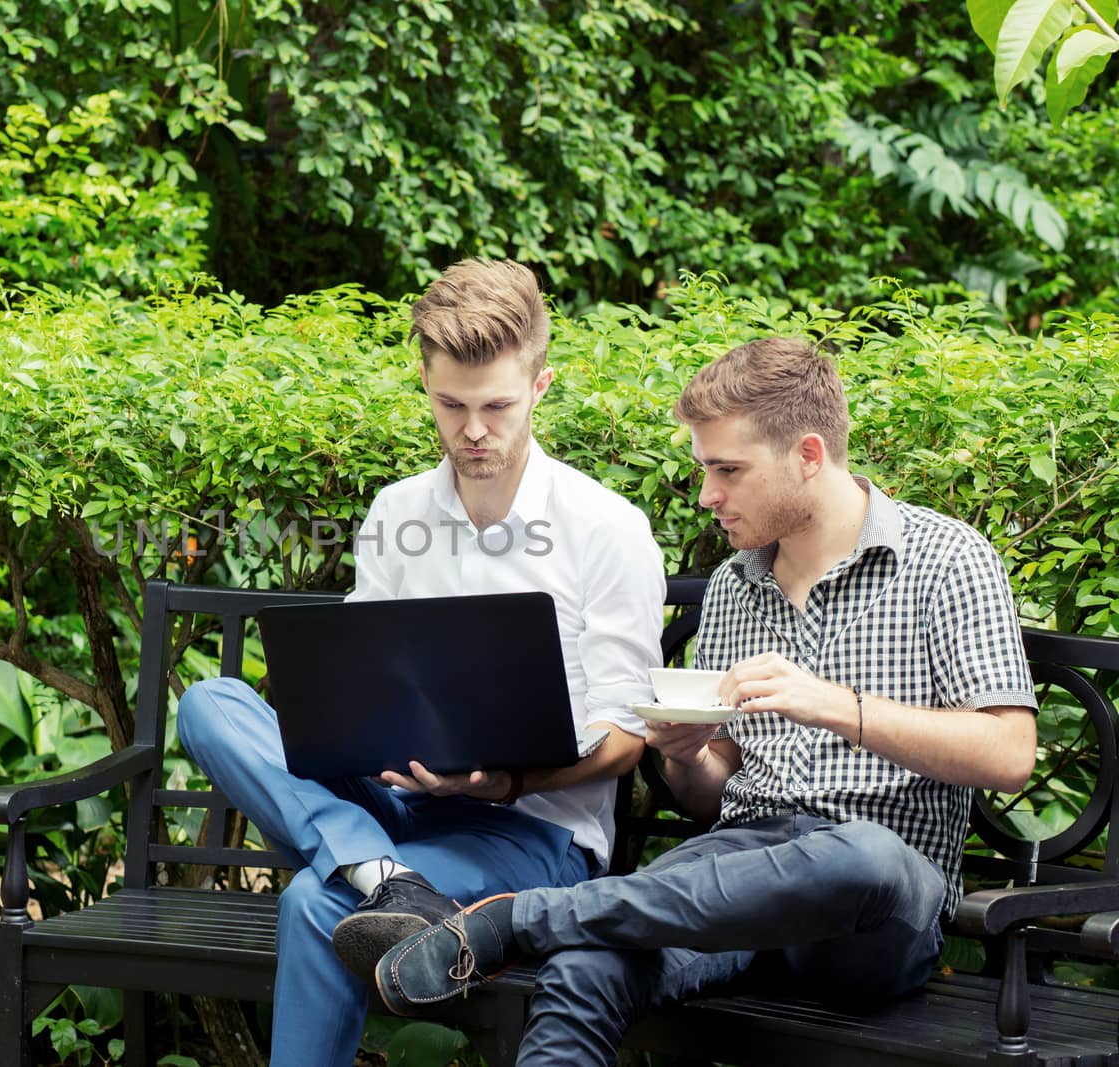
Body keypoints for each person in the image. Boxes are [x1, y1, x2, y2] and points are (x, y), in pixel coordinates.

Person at [371, 336, 1039, 1066]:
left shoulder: (947, 558)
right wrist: (689, 758)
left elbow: (1008, 753)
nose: (706, 494)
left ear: (808, 455)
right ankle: (536, 928)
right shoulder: (734, 585)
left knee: (861, 855)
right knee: (586, 965)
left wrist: (836, 705)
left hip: (872, 906)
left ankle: (520, 919)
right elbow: (712, 797)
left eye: (728, 469)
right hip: (733, 877)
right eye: (703, 468)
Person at [174, 258, 665, 1067]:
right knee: (211, 704)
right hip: (396, 800)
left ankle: (368, 873)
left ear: (541, 386)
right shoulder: (398, 511)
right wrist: (337, 721)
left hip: (530, 831)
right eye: (451, 405)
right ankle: (385, 876)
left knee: (310, 900)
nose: (474, 429)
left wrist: (500, 779)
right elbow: (359, 675)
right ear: (426, 386)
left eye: (497, 405)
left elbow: (626, 738)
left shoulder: (606, 529)